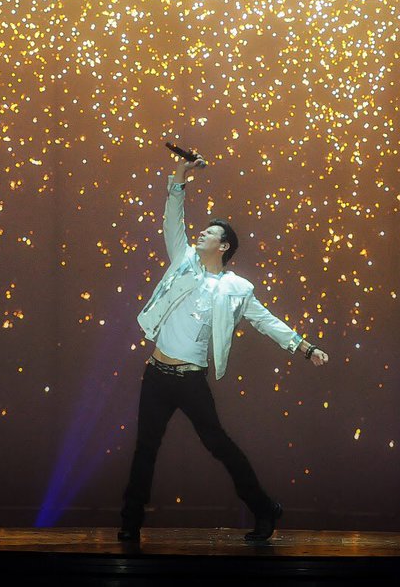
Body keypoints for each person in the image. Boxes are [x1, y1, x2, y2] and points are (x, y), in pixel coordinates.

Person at [118, 153, 329, 543]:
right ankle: (129, 524)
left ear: (224, 244)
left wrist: (303, 346)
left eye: (210, 233)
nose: (200, 235)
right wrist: (178, 177)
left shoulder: (236, 289)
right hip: (157, 374)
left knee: (218, 445)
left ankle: (264, 508)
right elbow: (172, 218)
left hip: (190, 379)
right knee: (145, 448)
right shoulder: (182, 260)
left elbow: (266, 321)